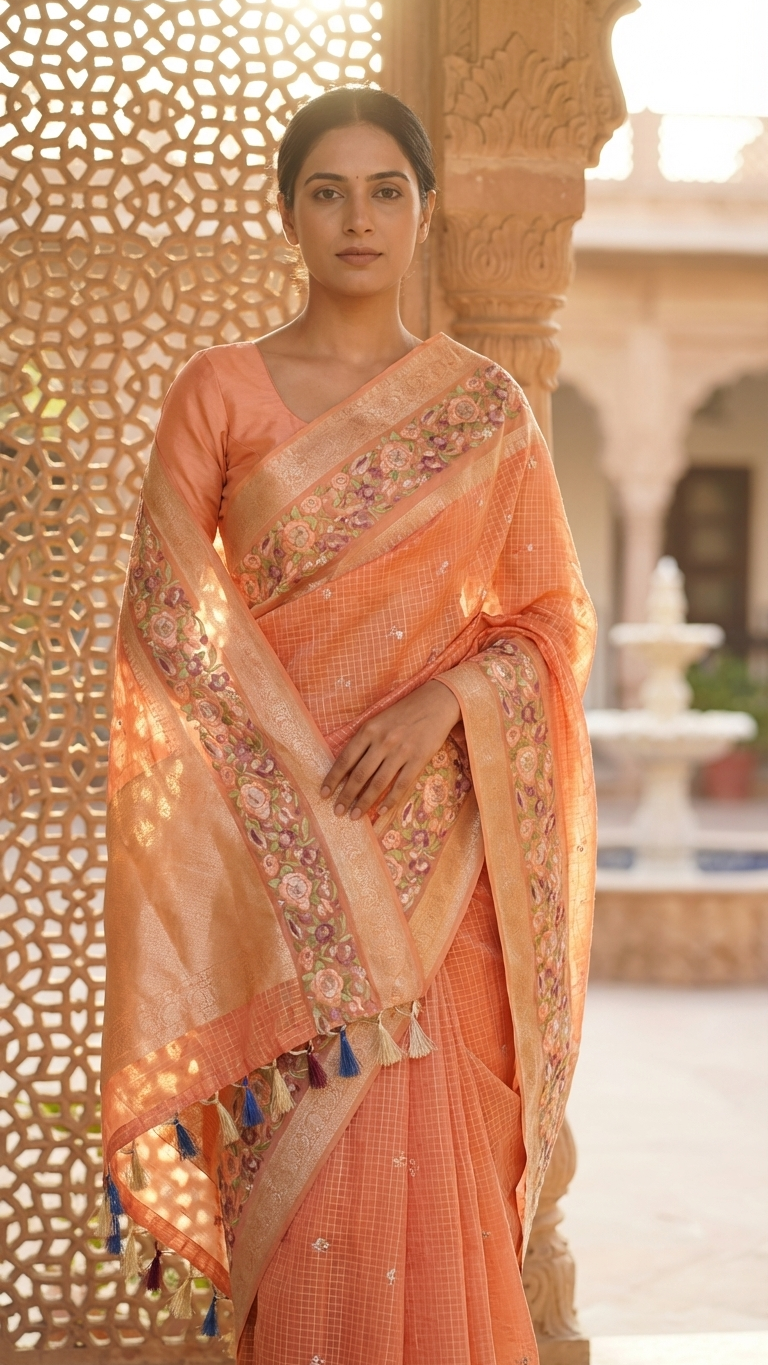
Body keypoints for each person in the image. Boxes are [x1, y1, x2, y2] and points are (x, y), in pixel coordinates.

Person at [101, 86, 597, 1365]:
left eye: (387, 190)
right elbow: (167, 630)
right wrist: (292, 819)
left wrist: (447, 700)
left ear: (425, 214)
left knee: (430, 1198)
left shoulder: (486, 410)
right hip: (281, 884)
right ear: (289, 213)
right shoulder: (218, 391)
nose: (358, 217)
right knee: (314, 1217)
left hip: (438, 877)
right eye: (329, 191)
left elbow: (550, 624)